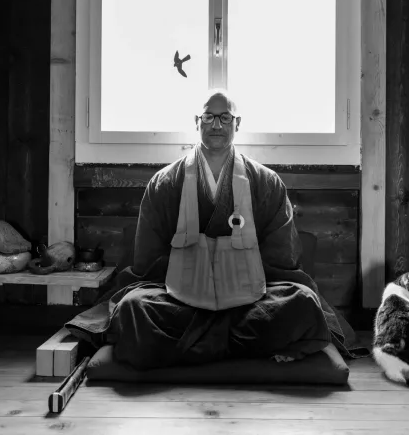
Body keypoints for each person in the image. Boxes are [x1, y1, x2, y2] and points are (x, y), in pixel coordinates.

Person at [65, 90, 368, 370]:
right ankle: (242, 347)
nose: (216, 125)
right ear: (197, 122)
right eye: (208, 116)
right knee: (134, 307)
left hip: (249, 296)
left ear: (237, 123)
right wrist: (197, 278)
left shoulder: (266, 182)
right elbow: (148, 258)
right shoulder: (165, 183)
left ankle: (185, 348)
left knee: (302, 304)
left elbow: (282, 257)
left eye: (225, 117)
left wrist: (232, 280)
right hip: (180, 296)